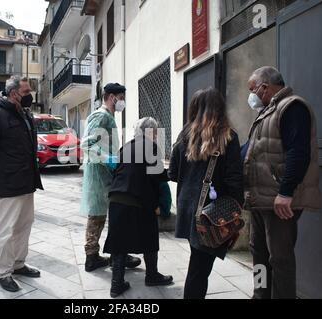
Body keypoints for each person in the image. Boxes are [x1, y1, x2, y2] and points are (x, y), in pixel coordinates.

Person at [244, 67, 321, 299]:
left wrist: (285, 192)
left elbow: (299, 153)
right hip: (260, 200)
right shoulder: (267, 111)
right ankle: (260, 294)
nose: (251, 95)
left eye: (252, 89)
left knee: (280, 259)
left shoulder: (292, 107)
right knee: (258, 253)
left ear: (264, 87)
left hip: (278, 202)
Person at [169, 88, 244, 299]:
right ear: (219, 108)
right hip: (213, 215)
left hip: (189, 209)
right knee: (199, 270)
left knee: (198, 263)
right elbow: (234, 181)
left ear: (194, 108)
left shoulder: (185, 135)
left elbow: (173, 173)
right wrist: (235, 213)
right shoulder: (228, 137)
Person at [0, 76, 44, 293]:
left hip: (27, 181)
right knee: (5, 230)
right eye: (26, 92)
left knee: (24, 226)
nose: (30, 95)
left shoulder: (25, 114)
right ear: (14, 93)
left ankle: (18, 264)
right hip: (8, 182)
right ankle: (3, 272)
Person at [104, 117, 173, 298]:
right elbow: (156, 177)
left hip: (116, 199)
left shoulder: (126, 147)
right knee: (150, 235)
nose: (157, 135)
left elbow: (120, 170)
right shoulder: (150, 147)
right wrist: (173, 173)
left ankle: (116, 284)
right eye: (156, 132)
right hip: (136, 200)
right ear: (151, 132)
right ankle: (152, 275)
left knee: (119, 242)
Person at [80, 83, 141, 273]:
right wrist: (110, 160)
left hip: (106, 174)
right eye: (121, 98)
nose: (123, 102)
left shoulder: (108, 117)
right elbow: (87, 144)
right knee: (99, 215)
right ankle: (98, 256)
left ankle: (115, 254)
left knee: (109, 215)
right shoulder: (101, 116)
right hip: (100, 174)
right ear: (112, 97)